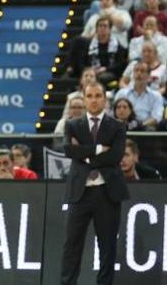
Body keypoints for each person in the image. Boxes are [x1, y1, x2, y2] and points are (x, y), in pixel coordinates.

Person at [60, 81, 128, 285]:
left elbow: (115, 156)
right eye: (90, 96)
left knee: (107, 247)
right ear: (84, 98)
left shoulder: (117, 126)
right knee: (72, 245)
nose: (94, 100)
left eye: (98, 95)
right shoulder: (72, 124)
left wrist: (85, 153)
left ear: (105, 99)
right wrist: (98, 150)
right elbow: (69, 151)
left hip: (107, 192)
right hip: (80, 193)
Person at [113, 62, 164, 130]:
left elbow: (156, 117)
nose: (139, 73)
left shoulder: (156, 96)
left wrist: (139, 126)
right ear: (133, 74)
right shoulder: (122, 93)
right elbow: (115, 114)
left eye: (142, 71)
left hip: (146, 130)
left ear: (149, 75)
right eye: (136, 70)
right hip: (124, 129)